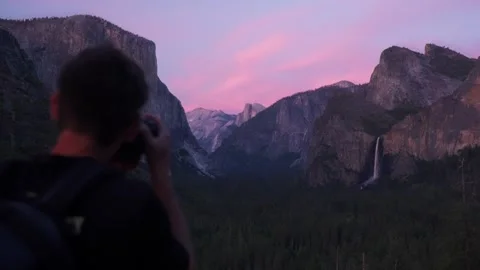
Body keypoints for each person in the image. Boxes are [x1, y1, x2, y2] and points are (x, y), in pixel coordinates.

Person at [0, 45, 194, 269]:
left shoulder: (8, 178)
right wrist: (161, 175)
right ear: (131, 129)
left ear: (55, 106)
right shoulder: (133, 206)